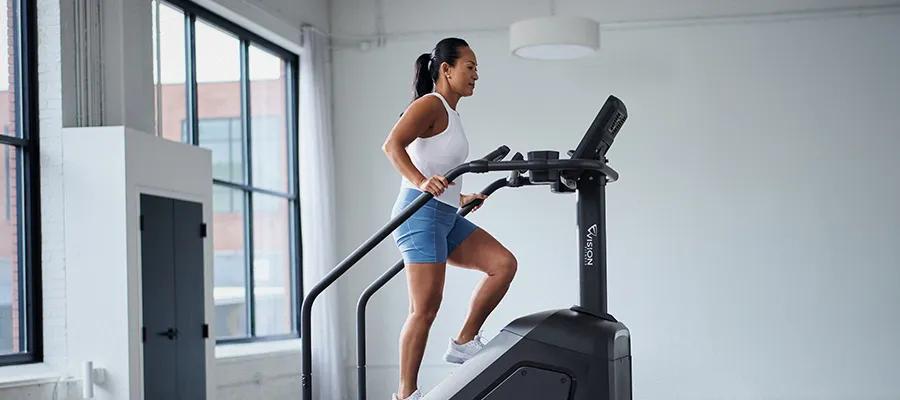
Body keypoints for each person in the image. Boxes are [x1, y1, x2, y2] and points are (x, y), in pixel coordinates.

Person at [381, 38, 518, 400]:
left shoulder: (452, 114)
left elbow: (439, 166)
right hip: (418, 214)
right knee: (424, 309)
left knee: (503, 264)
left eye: (476, 68)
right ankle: (405, 394)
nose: (475, 75)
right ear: (446, 69)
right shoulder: (430, 104)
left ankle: (463, 341)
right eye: (469, 67)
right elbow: (392, 145)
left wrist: (460, 196)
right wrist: (421, 181)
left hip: (444, 213)